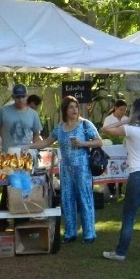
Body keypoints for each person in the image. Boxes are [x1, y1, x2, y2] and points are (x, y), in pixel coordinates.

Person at [24, 96, 102, 243]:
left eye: (76, 107)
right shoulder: (60, 128)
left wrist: (83, 143)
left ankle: (89, 233)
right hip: (66, 170)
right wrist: (30, 146)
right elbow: (47, 141)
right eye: (71, 107)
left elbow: (99, 141)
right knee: (67, 200)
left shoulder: (85, 124)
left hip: (82, 168)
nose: (74, 110)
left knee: (84, 199)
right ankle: (70, 232)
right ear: (65, 110)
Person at [102, 98, 140, 262]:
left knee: (129, 215)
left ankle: (121, 252)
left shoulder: (132, 129)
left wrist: (127, 119)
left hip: (138, 175)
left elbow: (105, 128)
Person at [0, 83, 43, 229]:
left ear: (27, 97)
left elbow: (36, 135)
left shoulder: (33, 114)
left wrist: (36, 150)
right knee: (9, 185)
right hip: (8, 155)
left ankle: (22, 220)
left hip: (26, 155)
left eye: (23, 96)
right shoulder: (3, 111)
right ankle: (3, 220)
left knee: (25, 185)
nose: (20, 100)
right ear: (13, 97)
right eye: (17, 97)